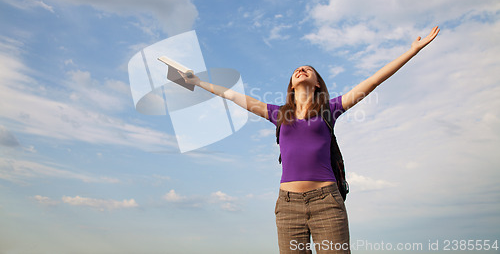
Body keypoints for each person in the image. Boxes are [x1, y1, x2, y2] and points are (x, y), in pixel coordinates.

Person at [179, 26, 440, 253]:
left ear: (317, 83)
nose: (301, 70)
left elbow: (372, 82)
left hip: (326, 203)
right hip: (287, 205)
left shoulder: (330, 109)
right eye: (296, 70)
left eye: (308, 69)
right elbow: (234, 96)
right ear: (292, 85)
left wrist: (412, 51)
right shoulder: (277, 114)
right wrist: (199, 83)